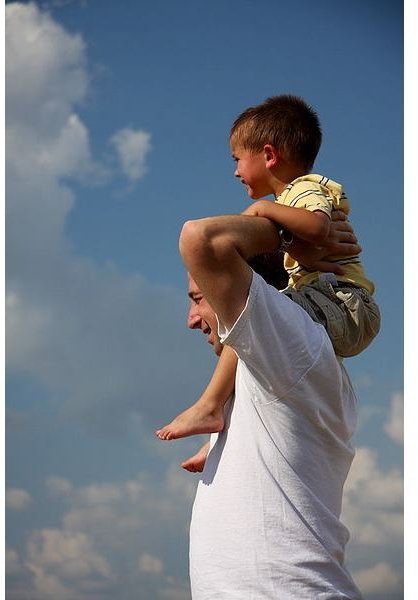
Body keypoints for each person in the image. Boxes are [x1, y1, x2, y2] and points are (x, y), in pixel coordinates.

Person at [156, 95, 380, 442]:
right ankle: (219, 428)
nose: (235, 171)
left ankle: (210, 405)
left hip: (344, 301)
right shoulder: (289, 201)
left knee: (251, 315)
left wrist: (262, 210)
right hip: (331, 300)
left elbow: (319, 227)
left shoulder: (306, 188)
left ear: (270, 155)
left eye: (237, 160)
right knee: (252, 328)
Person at [177, 209, 363, 599]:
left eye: (199, 298)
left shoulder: (290, 344)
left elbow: (203, 239)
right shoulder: (267, 368)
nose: (191, 320)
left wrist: (295, 241)